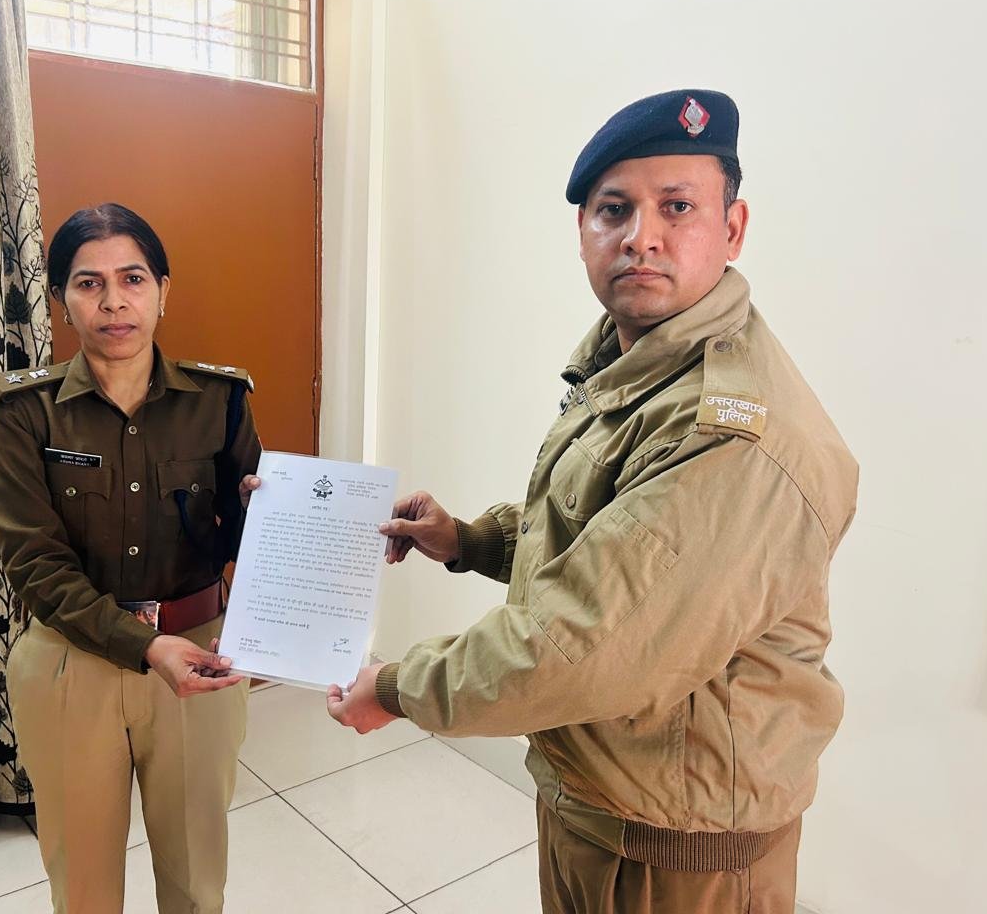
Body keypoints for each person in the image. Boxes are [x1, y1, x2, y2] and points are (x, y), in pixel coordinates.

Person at [322, 90, 859, 913]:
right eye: (615, 210)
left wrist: (397, 688)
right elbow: (600, 541)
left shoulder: (730, 432)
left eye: (676, 207)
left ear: (733, 227)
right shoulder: (634, 364)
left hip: (679, 859)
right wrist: (467, 540)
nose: (641, 235)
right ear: (583, 233)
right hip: (606, 806)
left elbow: (579, 644)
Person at [0, 203, 261, 914]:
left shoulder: (221, 401)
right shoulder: (23, 413)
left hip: (198, 656)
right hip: (71, 665)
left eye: (132, 278)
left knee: (197, 879)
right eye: (89, 283)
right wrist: (143, 646)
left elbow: (245, 541)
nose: (113, 301)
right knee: (83, 886)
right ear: (61, 298)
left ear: (163, 290)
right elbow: (35, 564)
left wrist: (281, 524)